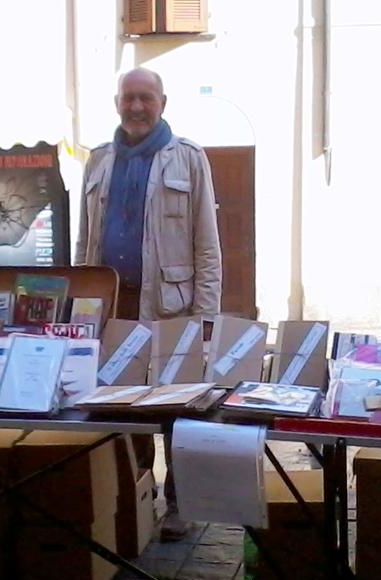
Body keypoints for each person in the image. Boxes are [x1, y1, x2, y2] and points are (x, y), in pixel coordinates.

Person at [75, 67, 222, 540]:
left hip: (172, 309)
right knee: (122, 409)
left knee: (178, 409)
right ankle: (137, 498)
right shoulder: (98, 160)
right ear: (116, 102)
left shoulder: (188, 159)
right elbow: (85, 243)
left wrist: (205, 318)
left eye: (146, 98)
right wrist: (81, 306)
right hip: (115, 309)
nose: (136, 107)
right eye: (128, 98)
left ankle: (181, 504)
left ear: (163, 102)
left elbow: (207, 246)